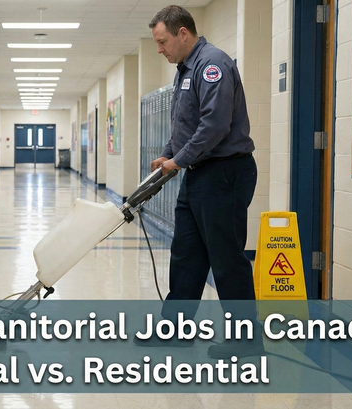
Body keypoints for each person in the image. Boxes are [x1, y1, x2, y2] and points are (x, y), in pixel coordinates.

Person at [138, 5, 262, 359]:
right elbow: (184, 124)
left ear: (182, 33)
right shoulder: (184, 70)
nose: (159, 49)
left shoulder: (213, 65)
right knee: (187, 255)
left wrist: (179, 160)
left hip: (224, 172)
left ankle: (245, 343)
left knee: (226, 259)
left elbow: (214, 125)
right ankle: (175, 330)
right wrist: (168, 154)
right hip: (198, 173)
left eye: (162, 42)